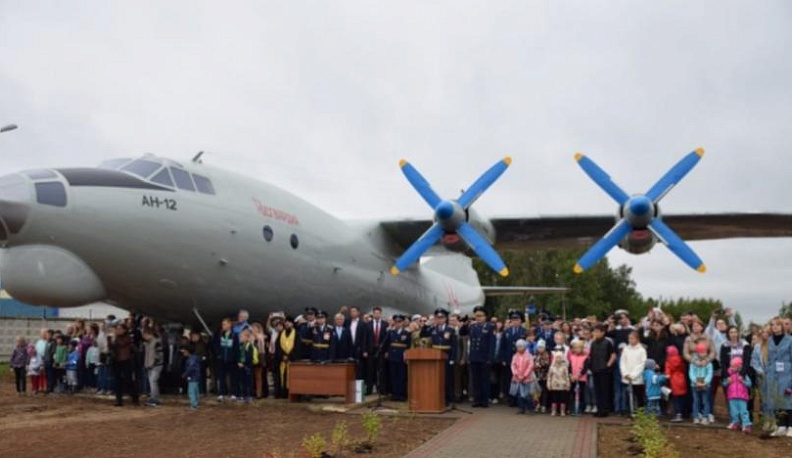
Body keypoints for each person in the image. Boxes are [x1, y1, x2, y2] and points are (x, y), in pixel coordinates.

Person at [763, 317, 792, 437]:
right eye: (773, 325)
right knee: (775, 399)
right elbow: (767, 357)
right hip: (772, 374)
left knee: (787, 400)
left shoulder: (790, 340)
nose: (775, 327)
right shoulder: (769, 340)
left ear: (782, 327)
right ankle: (781, 426)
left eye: (777, 325)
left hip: (786, 373)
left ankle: (790, 426)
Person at [469, 305, 496, 408]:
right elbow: (465, 335)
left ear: (485, 317)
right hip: (474, 357)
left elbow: (492, 344)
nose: (478, 318)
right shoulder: (473, 327)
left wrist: (490, 358)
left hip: (484, 357)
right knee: (475, 380)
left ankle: (484, 400)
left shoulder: (489, 327)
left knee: (484, 379)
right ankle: (477, 399)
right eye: (477, 316)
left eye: (481, 316)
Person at [501, 311, 527, 408]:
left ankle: (519, 399)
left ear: (520, 321)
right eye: (513, 320)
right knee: (509, 380)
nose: (515, 322)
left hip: (521, 360)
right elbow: (502, 346)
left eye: (517, 320)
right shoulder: (506, 331)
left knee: (520, 379)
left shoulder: (524, 331)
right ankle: (510, 399)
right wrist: (503, 358)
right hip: (508, 359)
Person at [109, 323, 139, 407]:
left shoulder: (128, 337)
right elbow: (111, 346)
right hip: (117, 360)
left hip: (126, 360)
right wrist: (111, 339)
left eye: (120, 329)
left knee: (128, 380)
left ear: (124, 330)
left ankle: (135, 398)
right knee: (117, 381)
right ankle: (119, 400)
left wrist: (115, 338)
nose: (118, 330)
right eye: (117, 329)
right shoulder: (115, 337)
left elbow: (123, 344)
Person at [381, 314, 409, 401]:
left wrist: (406, 354)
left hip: (401, 356)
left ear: (403, 323)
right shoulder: (391, 332)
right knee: (393, 375)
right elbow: (387, 344)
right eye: (396, 322)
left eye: (399, 322)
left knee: (401, 376)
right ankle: (394, 394)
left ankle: (401, 394)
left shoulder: (407, 333)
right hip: (392, 356)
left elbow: (408, 345)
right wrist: (386, 352)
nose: (398, 324)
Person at [590, 324, 616, 418]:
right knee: (597, 390)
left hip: (604, 369)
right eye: (594, 331)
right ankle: (599, 408)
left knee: (604, 390)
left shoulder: (607, 342)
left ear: (602, 332)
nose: (595, 333)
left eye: (597, 331)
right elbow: (591, 355)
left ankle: (605, 409)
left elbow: (613, 355)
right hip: (595, 368)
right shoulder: (593, 343)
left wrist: (608, 365)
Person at [620, 331, 647, 416]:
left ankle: (640, 413)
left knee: (639, 396)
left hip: (637, 378)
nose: (630, 340)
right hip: (627, 376)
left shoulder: (641, 350)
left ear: (637, 339)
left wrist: (633, 375)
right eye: (629, 338)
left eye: (632, 338)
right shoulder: (626, 349)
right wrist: (625, 373)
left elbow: (642, 364)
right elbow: (622, 362)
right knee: (628, 395)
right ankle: (629, 411)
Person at [723, 357, 752, 433]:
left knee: (744, 411)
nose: (732, 368)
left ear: (739, 367)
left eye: (734, 367)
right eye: (731, 366)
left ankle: (746, 425)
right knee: (734, 411)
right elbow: (724, 383)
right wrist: (727, 381)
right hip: (732, 397)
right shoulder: (729, 374)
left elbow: (749, 384)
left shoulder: (744, 375)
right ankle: (736, 423)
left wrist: (743, 381)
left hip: (742, 397)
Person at [212, 318, 239, 401]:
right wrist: (218, 354)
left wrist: (235, 358)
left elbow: (236, 348)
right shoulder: (220, 335)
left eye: (224, 324)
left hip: (232, 360)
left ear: (229, 325)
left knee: (233, 377)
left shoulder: (234, 335)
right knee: (221, 377)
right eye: (222, 324)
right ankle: (221, 393)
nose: (223, 326)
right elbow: (215, 344)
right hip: (222, 359)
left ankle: (234, 393)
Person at [274, 316, 300, 398]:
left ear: (292, 324)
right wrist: (282, 356)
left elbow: (297, 347)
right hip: (282, 360)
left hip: (291, 360)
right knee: (281, 376)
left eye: (289, 322)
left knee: (291, 376)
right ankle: (281, 393)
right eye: (286, 322)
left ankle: (291, 393)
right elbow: (277, 346)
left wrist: (289, 356)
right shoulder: (281, 333)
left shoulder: (296, 334)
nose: (287, 323)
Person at [689, 342, 714, 425]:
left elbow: (709, 373)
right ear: (697, 352)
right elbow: (691, 373)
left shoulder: (708, 363)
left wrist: (706, 382)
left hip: (706, 385)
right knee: (696, 401)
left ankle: (705, 417)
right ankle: (696, 416)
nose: (702, 354)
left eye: (704, 352)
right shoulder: (693, 362)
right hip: (694, 385)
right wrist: (695, 381)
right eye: (700, 352)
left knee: (705, 401)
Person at [510, 339, 535, 414]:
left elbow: (530, 366)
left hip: (527, 378)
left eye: (521, 346)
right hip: (518, 378)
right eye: (518, 347)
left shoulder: (529, 356)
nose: (519, 348)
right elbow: (513, 365)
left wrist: (524, 375)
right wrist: (516, 374)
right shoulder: (515, 356)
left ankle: (530, 409)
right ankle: (521, 408)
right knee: (520, 394)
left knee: (527, 394)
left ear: (524, 347)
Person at [366, 306, 386, 395]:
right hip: (370, 350)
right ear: (373, 314)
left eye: (378, 313)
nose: (377, 314)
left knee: (381, 370)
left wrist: (386, 351)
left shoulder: (385, 325)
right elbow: (364, 339)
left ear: (381, 314)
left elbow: (387, 340)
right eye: (375, 313)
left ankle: (381, 389)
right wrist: (364, 350)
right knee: (370, 370)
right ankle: (369, 389)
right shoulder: (368, 325)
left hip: (381, 350)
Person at [142, 327, 164, 406]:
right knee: (151, 382)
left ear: (149, 334)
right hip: (149, 365)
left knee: (153, 382)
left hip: (156, 366)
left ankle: (155, 399)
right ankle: (153, 397)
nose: (143, 337)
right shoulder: (147, 343)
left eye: (144, 335)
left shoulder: (157, 342)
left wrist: (153, 363)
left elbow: (160, 355)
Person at [665, 345, 687, 422]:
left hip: (673, 380)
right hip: (681, 379)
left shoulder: (668, 361)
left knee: (675, 399)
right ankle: (683, 412)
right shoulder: (680, 359)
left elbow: (667, 373)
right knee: (682, 397)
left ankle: (677, 413)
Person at [567, 340, 589, 415]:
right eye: (575, 348)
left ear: (582, 348)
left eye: (578, 348)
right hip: (572, 378)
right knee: (572, 393)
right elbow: (569, 367)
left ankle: (580, 408)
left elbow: (585, 368)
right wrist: (571, 375)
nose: (576, 349)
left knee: (581, 394)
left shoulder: (585, 357)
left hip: (581, 379)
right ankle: (573, 408)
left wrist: (578, 375)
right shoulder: (572, 356)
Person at [547, 348, 571, 416]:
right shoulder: (552, 367)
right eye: (557, 358)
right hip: (554, 385)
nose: (558, 359)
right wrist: (549, 384)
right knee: (554, 399)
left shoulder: (564, 367)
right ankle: (554, 411)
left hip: (562, 386)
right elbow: (549, 376)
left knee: (562, 399)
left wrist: (568, 384)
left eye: (560, 358)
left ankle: (562, 411)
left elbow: (567, 376)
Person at [237, 329, 257, 403]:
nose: (240, 338)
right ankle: (243, 395)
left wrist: (244, 363)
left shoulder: (250, 346)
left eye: (241, 336)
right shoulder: (241, 346)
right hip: (241, 367)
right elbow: (239, 355)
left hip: (247, 367)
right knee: (242, 381)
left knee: (248, 382)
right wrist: (239, 362)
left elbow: (249, 356)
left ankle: (249, 396)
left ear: (247, 337)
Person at [533, 339, 550, 413]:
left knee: (544, 391)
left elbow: (546, 364)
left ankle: (544, 405)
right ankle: (537, 405)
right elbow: (533, 362)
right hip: (537, 376)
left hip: (544, 376)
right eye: (539, 347)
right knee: (537, 391)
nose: (540, 349)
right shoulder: (536, 354)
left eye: (542, 347)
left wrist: (538, 366)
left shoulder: (546, 354)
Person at [182, 345, 201, 410]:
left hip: (192, 377)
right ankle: (196, 403)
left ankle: (194, 405)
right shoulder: (194, 358)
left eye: (184, 351)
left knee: (191, 392)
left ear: (188, 352)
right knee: (196, 391)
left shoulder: (191, 359)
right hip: (196, 377)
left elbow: (190, 368)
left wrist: (185, 374)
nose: (183, 352)